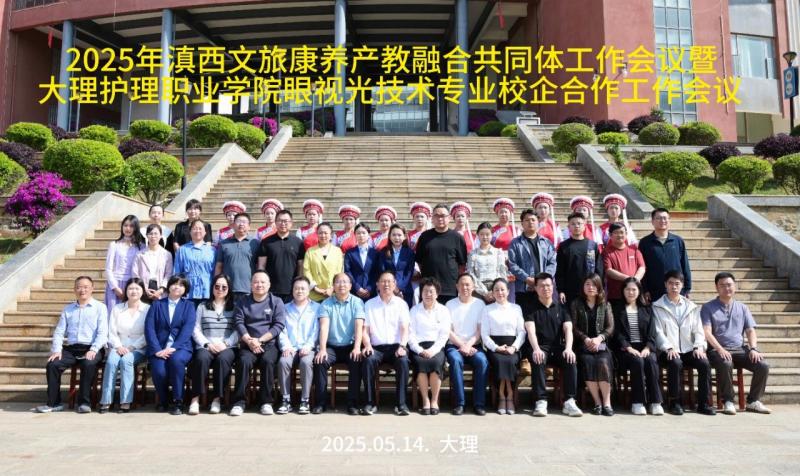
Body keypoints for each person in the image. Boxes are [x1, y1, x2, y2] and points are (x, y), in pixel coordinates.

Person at [702, 272, 771, 415]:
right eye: (722, 285)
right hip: (717, 350)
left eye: (729, 285)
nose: (726, 288)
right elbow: (706, 332)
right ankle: (728, 401)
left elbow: (750, 331)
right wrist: (720, 349)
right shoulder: (708, 307)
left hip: (740, 349)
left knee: (763, 365)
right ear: (716, 288)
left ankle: (753, 401)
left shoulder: (742, 307)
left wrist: (753, 348)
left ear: (735, 286)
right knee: (726, 362)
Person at [36, 276, 108, 413]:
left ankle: (84, 403)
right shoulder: (68, 309)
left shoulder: (100, 308)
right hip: (72, 349)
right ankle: (54, 403)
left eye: (86, 287)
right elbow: (59, 331)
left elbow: (103, 333)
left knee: (88, 364)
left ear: (92, 289)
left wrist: (94, 349)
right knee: (53, 364)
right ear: (74, 289)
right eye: (79, 287)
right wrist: (57, 350)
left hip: (92, 347)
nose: (82, 290)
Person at [652, 270, 716, 416]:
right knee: (675, 363)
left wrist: (699, 346)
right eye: (670, 283)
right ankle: (675, 402)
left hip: (688, 349)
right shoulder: (657, 306)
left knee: (704, 363)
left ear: (682, 285)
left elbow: (698, 330)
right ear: (665, 285)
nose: (674, 287)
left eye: (677, 284)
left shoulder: (691, 307)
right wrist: (668, 347)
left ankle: (703, 403)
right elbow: (658, 332)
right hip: (667, 351)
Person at [525, 272, 583, 417]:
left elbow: (568, 329)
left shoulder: (562, 307)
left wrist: (568, 348)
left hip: (558, 347)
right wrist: (536, 349)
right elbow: (530, 331)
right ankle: (541, 401)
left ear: (553, 287)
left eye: (548, 285)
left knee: (570, 359)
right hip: (540, 347)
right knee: (538, 359)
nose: (546, 288)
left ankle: (569, 401)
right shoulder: (530, 307)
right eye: (542, 286)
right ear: (536, 288)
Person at [229, 271, 287, 416]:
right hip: (248, 344)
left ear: (269, 285)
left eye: (262, 282)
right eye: (256, 282)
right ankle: (239, 402)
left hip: (268, 344)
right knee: (243, 361)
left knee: (268, 361)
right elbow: (238, 322)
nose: (259, 285)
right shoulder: (243, 301)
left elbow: (278, 325)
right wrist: (249, 340)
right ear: (251, 284)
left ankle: (266, 402)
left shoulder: (276, 301)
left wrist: (260, 340)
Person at [313, 273, 365, 415]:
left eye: (345, 282)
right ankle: (321, 403)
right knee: (320, 361)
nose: (341, 285)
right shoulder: (326, 304)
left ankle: (352, 403)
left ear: (350, 286)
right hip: (331, 347)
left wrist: (357, 348)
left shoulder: (357, 302)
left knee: (356, 360)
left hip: (350, 346)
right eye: (338, 282)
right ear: (333, 286)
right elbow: (324, 327)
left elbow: (359, 326)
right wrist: (322, 349)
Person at [144, 274, 196, 415]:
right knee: (159, 370)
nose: (177, 287)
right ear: (168, 286)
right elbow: (149, 328)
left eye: (181, 285)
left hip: (181, 347)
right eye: (174, 284)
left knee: (176, 361)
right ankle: (164, 400)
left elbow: (187, 330)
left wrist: (173, 348)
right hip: (159, 347)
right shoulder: (157, 304)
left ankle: (178, 401)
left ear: (185, 289)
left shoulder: (189, 306)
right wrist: (156, 349)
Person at [361, 271, 411, 416]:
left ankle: (401, 404)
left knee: (403, 361)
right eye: (383, 281)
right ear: (377, 284)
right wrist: (367, 345)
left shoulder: (401, 304)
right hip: (376, 348)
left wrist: (403, 346)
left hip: (396, 347)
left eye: (389, 281)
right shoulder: (369, 304)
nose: (386, 284)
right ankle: (370, 403)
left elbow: (405, 328)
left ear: (395, 285)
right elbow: (365, 330)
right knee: (368, 360)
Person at [612, 278, 664, 416]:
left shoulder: (647, 309)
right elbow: (617, 333)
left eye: (634, 289)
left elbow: (652, 332)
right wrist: (628, 348)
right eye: (628, 289)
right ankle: (638, 402)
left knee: (651, 360)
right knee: (637, 361)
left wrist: (647, 348)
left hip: (645, 348)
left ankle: (655, 402)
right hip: (626, 350)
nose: (631, 292)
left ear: (639, 291)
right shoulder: (617, 309)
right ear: (623, 291)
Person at [188, 274, 239, 415]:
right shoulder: (202, 306)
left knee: (222, 360)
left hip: (227, 346)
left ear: (229, 289)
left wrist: (226, 343)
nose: (220, 289)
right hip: (206, 345)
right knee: (201, 359)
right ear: (212, 288)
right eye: (217, 286)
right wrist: (206, 344)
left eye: (224, 287)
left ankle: (217, 399)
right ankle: (195, 399)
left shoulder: (234, 307)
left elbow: (238, 330)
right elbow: (196, 329)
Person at [99, 278, 150, 413]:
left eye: (137, 289)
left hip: (138, 348)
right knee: (111, 362)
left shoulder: (148, 309)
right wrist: (118, 346)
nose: (134, 291)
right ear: (126, 291)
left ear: (142, 291)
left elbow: (147, 333)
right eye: (130, 288)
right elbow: (112, 331)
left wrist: (131, 348)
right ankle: (106, 401)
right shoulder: (117, 308)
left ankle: (125, 401)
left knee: (126, 360)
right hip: (118, 346)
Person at [571, 273, 615, 416]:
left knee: (603, 362)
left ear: (599, 287)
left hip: (601, 345)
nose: (591, 287)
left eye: (594, 285)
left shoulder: (605, 304)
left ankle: (607, 403)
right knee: (588, 362)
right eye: (587, 284)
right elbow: (574, 327)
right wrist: (586, 339)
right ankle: (597, 402)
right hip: (583, 345)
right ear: (583, 287)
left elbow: (610, 327)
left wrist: (599, 338)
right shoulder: (576, 303)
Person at [480, 278, 525, 415]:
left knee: (510, 361)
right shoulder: (487, 309)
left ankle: (508, 395)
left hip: (513, 346)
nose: (500, 292)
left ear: (508, 291)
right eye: (496, 290)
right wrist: (496, 348)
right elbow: (484, 334)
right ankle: (502, 396)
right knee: (500, 361)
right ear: (492, 293)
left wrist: (514, 347)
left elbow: (522, 332)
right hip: (495, 347)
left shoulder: (516, 308)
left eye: (502, 289)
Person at [445, 274, 488, 415]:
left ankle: (479, 404)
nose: (465, 287)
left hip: (474, 345)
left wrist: (468, 345)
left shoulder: (480, 304)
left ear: (473, 287)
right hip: (454, 345)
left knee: (482, 361)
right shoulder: (450, 304)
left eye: (468, 284)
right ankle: (460, 403)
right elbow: (448, 330)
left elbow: (480, 330)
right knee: (456, 361)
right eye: (462, 284)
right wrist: (461, 345)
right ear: (456, 286)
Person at [277, 277, 320, 415]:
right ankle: (286, 400)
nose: (299, 291)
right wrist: (286, 346)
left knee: (306, 363)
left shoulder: (317, 308)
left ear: (308, 291)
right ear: (292, 290)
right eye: (296, 288)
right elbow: (281, 329)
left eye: (303, 288)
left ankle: (304, 400)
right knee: (283, 362)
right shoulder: (285, 308)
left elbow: (316, 330)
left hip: (308, 348)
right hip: (290, 347)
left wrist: (308, 346)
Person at [408, 277, 451, 415]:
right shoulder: (414, 310)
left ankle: (434, 400)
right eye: (425, 291)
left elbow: (444, 335)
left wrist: (432, 351)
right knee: (420, 363)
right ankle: (425, 400)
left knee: (435, 363)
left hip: (436, 347)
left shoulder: (443, 310)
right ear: (421, 293)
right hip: (418, 348)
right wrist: (420, 350)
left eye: (431, 291)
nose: (428, 294)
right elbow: (410, 335)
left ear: (437, 294)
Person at [415, 203, 468, 304]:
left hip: (450, 288)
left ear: (449, 218)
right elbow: (419, 261)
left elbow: (462, 264)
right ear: (432, 218)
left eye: (443, 216)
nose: (440, 219)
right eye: (437, 216)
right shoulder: (424, 237)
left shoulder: (457, 238)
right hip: (428, 287)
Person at [507, 209, 557, 316]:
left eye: (533, 220)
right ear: (522, 223)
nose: (530, 222)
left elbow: (553, 262)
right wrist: (527, 279)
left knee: (543, 317)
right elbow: (512, 264)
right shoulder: (515, 243)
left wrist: (542, 279)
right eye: (527, 220)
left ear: (538, 222)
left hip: (544, 288)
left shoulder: (546, 242)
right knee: (526, 317)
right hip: (523, 288)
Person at [638, 208, 692, 303]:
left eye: (665, 218)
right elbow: (642, 267)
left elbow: (685, 265)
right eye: (658, 218)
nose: (662, 221)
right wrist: (645, 289)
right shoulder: (645, 242)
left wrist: (687, 288)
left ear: (669, 220)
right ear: (652, 221)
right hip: (654, 291)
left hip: (676, 289)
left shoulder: (677, 241)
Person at [257, 209, 305, 303]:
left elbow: (301, 266)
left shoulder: (298, 242)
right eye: (280, 221)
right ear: (275, 222)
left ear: (291, 223)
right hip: (271, 289)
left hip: (292, 289)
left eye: (286, 221)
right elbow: (261, 266)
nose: (283, 223)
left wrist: (299, 283)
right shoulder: (266, 242)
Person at [556, 212, 604, 306]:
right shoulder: (563, 246)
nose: (576, 226)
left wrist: (599, 287)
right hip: (570, 290)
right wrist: (561, 290)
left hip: (590, 290)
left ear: (584, 226)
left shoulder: (592, 245)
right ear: (569, 227)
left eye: (579, 223)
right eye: (573, 224)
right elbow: (560, 270)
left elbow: (599, 269)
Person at [105, 214, 146, 313]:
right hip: (115, 283)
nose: (128, 228)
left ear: (136, 228)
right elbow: (108, 268)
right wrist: (115, 288)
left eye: (131, 226)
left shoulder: (142, 247)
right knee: (113, 313)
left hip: (133, 284)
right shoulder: (114, 245)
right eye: (125, 225)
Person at [214, 212, 259, 301]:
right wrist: (216, 284)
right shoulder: (224, 243)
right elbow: (219, 266)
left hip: (249, 289)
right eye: (238, 221)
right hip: (227, 289)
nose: (241, 224)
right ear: (233, 225)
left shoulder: (255, 243)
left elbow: (259, 265)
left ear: (249, 226)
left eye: (244, 222)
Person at [173, 219, 216, 306]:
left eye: (200, 228)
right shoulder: (182, 250)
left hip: (207, 292)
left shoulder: (212, 250)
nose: (197, 231)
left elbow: (215, 272)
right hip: (188, 292)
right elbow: (177, 272)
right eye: (195, 228)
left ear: (205, 232)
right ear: (190, 231)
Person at [602, 222, 645, 305]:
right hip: (616, 295)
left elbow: (642, 267)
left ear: (626, 234)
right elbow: (608, 270)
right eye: (616, 233)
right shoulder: (606, 252)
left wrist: (635, 280)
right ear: (610, 235)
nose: (620, 235)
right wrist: (629, 279)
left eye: (622, 232)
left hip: (635, 294)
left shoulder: (634, 250)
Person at [467, 222, 508, 303]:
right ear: (478, 235)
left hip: (496, 290)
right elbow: (471, 273)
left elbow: (502, 272)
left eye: (487, 234)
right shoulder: (473, 254)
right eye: (482, 234)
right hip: (478, 290)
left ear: (492, 235)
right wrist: (484, 292)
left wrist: (495, 290)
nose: (485, 237)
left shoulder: (498, 252)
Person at [304, 222, 344, 302]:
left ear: (331, 235)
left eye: (326, 233)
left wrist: (332, 288)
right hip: (314, 294)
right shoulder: (310, 251)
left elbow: (340, 271)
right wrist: (315, 288)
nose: (323, 235)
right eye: (320, 233)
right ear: (317, 234)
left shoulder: (337, 251)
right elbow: (306, 271)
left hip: (333, 293)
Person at [132, 224, 173, 303]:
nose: (153, 236)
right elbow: (135, 273)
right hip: (143, 291)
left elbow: (169, 274)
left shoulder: (167, 254)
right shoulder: (139, 254)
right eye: (150, 233)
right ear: (146, 236)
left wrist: (161, 290)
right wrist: (143, 289)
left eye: (155, 233)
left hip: (161, 291)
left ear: (161, 236)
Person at [379, 223, 416, 308]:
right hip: (387, 288)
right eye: (394, 235)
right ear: (389, 236)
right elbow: (382, 270)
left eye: (399, 235)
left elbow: (409, 272)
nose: (396, 238)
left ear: (404, 236)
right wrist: (393, 287)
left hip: (405, 290)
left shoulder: (409, 252)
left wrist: (399, 289)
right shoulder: (384, 252)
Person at [345, 223, 381, 301]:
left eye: (364, 233)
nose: (361, 235)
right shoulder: (350, 253)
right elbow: (348, 271)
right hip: (354, 291)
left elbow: (377, 272)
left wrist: (370, 288)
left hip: (371, 292)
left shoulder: (375, 253)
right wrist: (357, 287)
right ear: (355, 235)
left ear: (368, 235)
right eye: (358, 233)